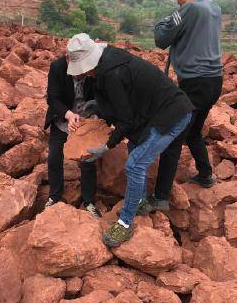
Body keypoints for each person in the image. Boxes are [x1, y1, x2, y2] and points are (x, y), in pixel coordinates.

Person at [66, 33, 193, 247]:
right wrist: (98, 104)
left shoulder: (112, 72)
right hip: (152, 112)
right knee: (135, 146)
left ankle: (125, 223)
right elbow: (124, 99)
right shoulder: (106, 60)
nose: (82, 73)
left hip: (171, 115)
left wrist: (106, 146)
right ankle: (140, 200)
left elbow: (125, 121)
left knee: (134, 165)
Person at [146, 0, 222, 211]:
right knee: (194, 131)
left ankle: (160, 198)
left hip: (195, 82)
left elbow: (161, 38)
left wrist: (169, 17)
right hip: (214, 81)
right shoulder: (214, 8)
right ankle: (206, 174)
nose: (177, 2)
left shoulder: (189, 9)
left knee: (173, 138)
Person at [44, 43, 104, 218]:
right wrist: (68, 114)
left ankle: (89, 201)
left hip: (86, 120)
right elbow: (52, 98)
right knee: (55, 156)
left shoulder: (93, 69)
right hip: (63, 117)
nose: (79, 74)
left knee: (88, 160)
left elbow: (99, 97)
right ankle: (54, 197)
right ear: (68, 58)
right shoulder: (57, 67)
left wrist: (89, 120)